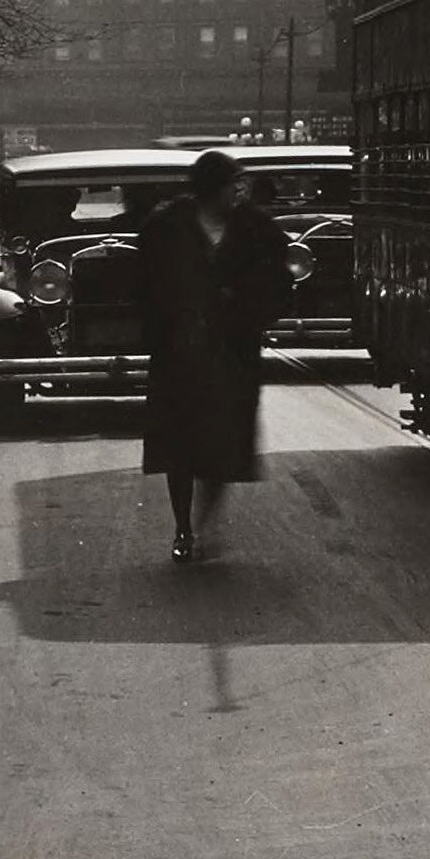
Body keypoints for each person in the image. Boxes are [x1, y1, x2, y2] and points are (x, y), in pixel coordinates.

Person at [136, 146, 290, 563]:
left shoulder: (256, 228)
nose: (238, 194)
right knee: (179, 447)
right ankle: (184, 527)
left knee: (223, 446)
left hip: (231, 354)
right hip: (179, 354)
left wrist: (247, 305)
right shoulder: (165, 227)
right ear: (214, 189)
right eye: (231, 186)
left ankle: (203, 523)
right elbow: (143, 285)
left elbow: (280, 280)